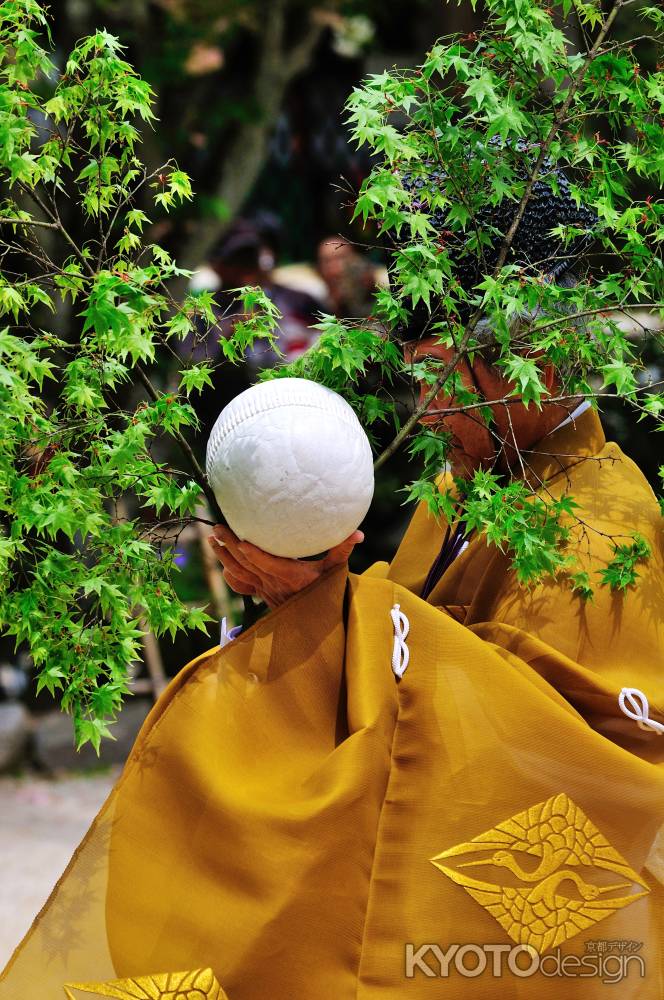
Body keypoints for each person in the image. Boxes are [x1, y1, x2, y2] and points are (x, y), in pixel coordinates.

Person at [2, 167, 663, 1000]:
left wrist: (336, 596)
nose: (425, 412)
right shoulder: (473, 479)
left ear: (529, 362)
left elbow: (556, 771)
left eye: (438, 380)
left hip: (492, 936)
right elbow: (410, 636)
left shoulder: (606, 524)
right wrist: (316, 591)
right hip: (392, 866)